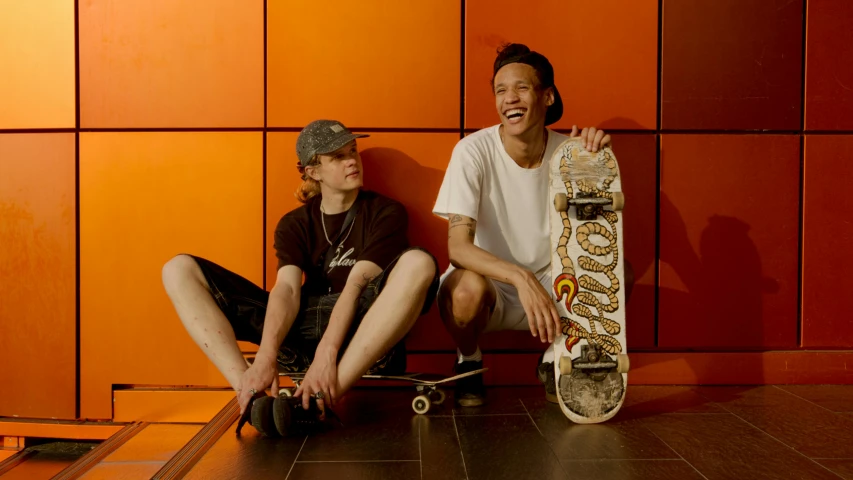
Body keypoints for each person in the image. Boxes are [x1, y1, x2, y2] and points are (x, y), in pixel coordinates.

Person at [162, 119, 439, 434]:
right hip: (302, 324)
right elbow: (287, 291)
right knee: (178, 269)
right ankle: (251, 396)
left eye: (353, 151)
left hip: (359, 324)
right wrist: (266, 357)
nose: (352, 161)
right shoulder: (294, 224)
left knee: (418, 262)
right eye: (337, 156)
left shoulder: (385, 212)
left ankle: (319, 401)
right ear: (313, 172)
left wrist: (327, 352)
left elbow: (355, 287)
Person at [432, 43, 629, 407]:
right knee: (463, 292)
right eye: (500, 90)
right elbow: (457, 248)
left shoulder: (571, 153)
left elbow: (598, 238)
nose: (510, 98)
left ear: (547, 96)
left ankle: (556, 357)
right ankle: (469, 359)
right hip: (492, 284)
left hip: (555, 282)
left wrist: (597, 163)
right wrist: (519, 277)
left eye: (521, 88)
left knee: (620, 273)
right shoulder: (472, 151)